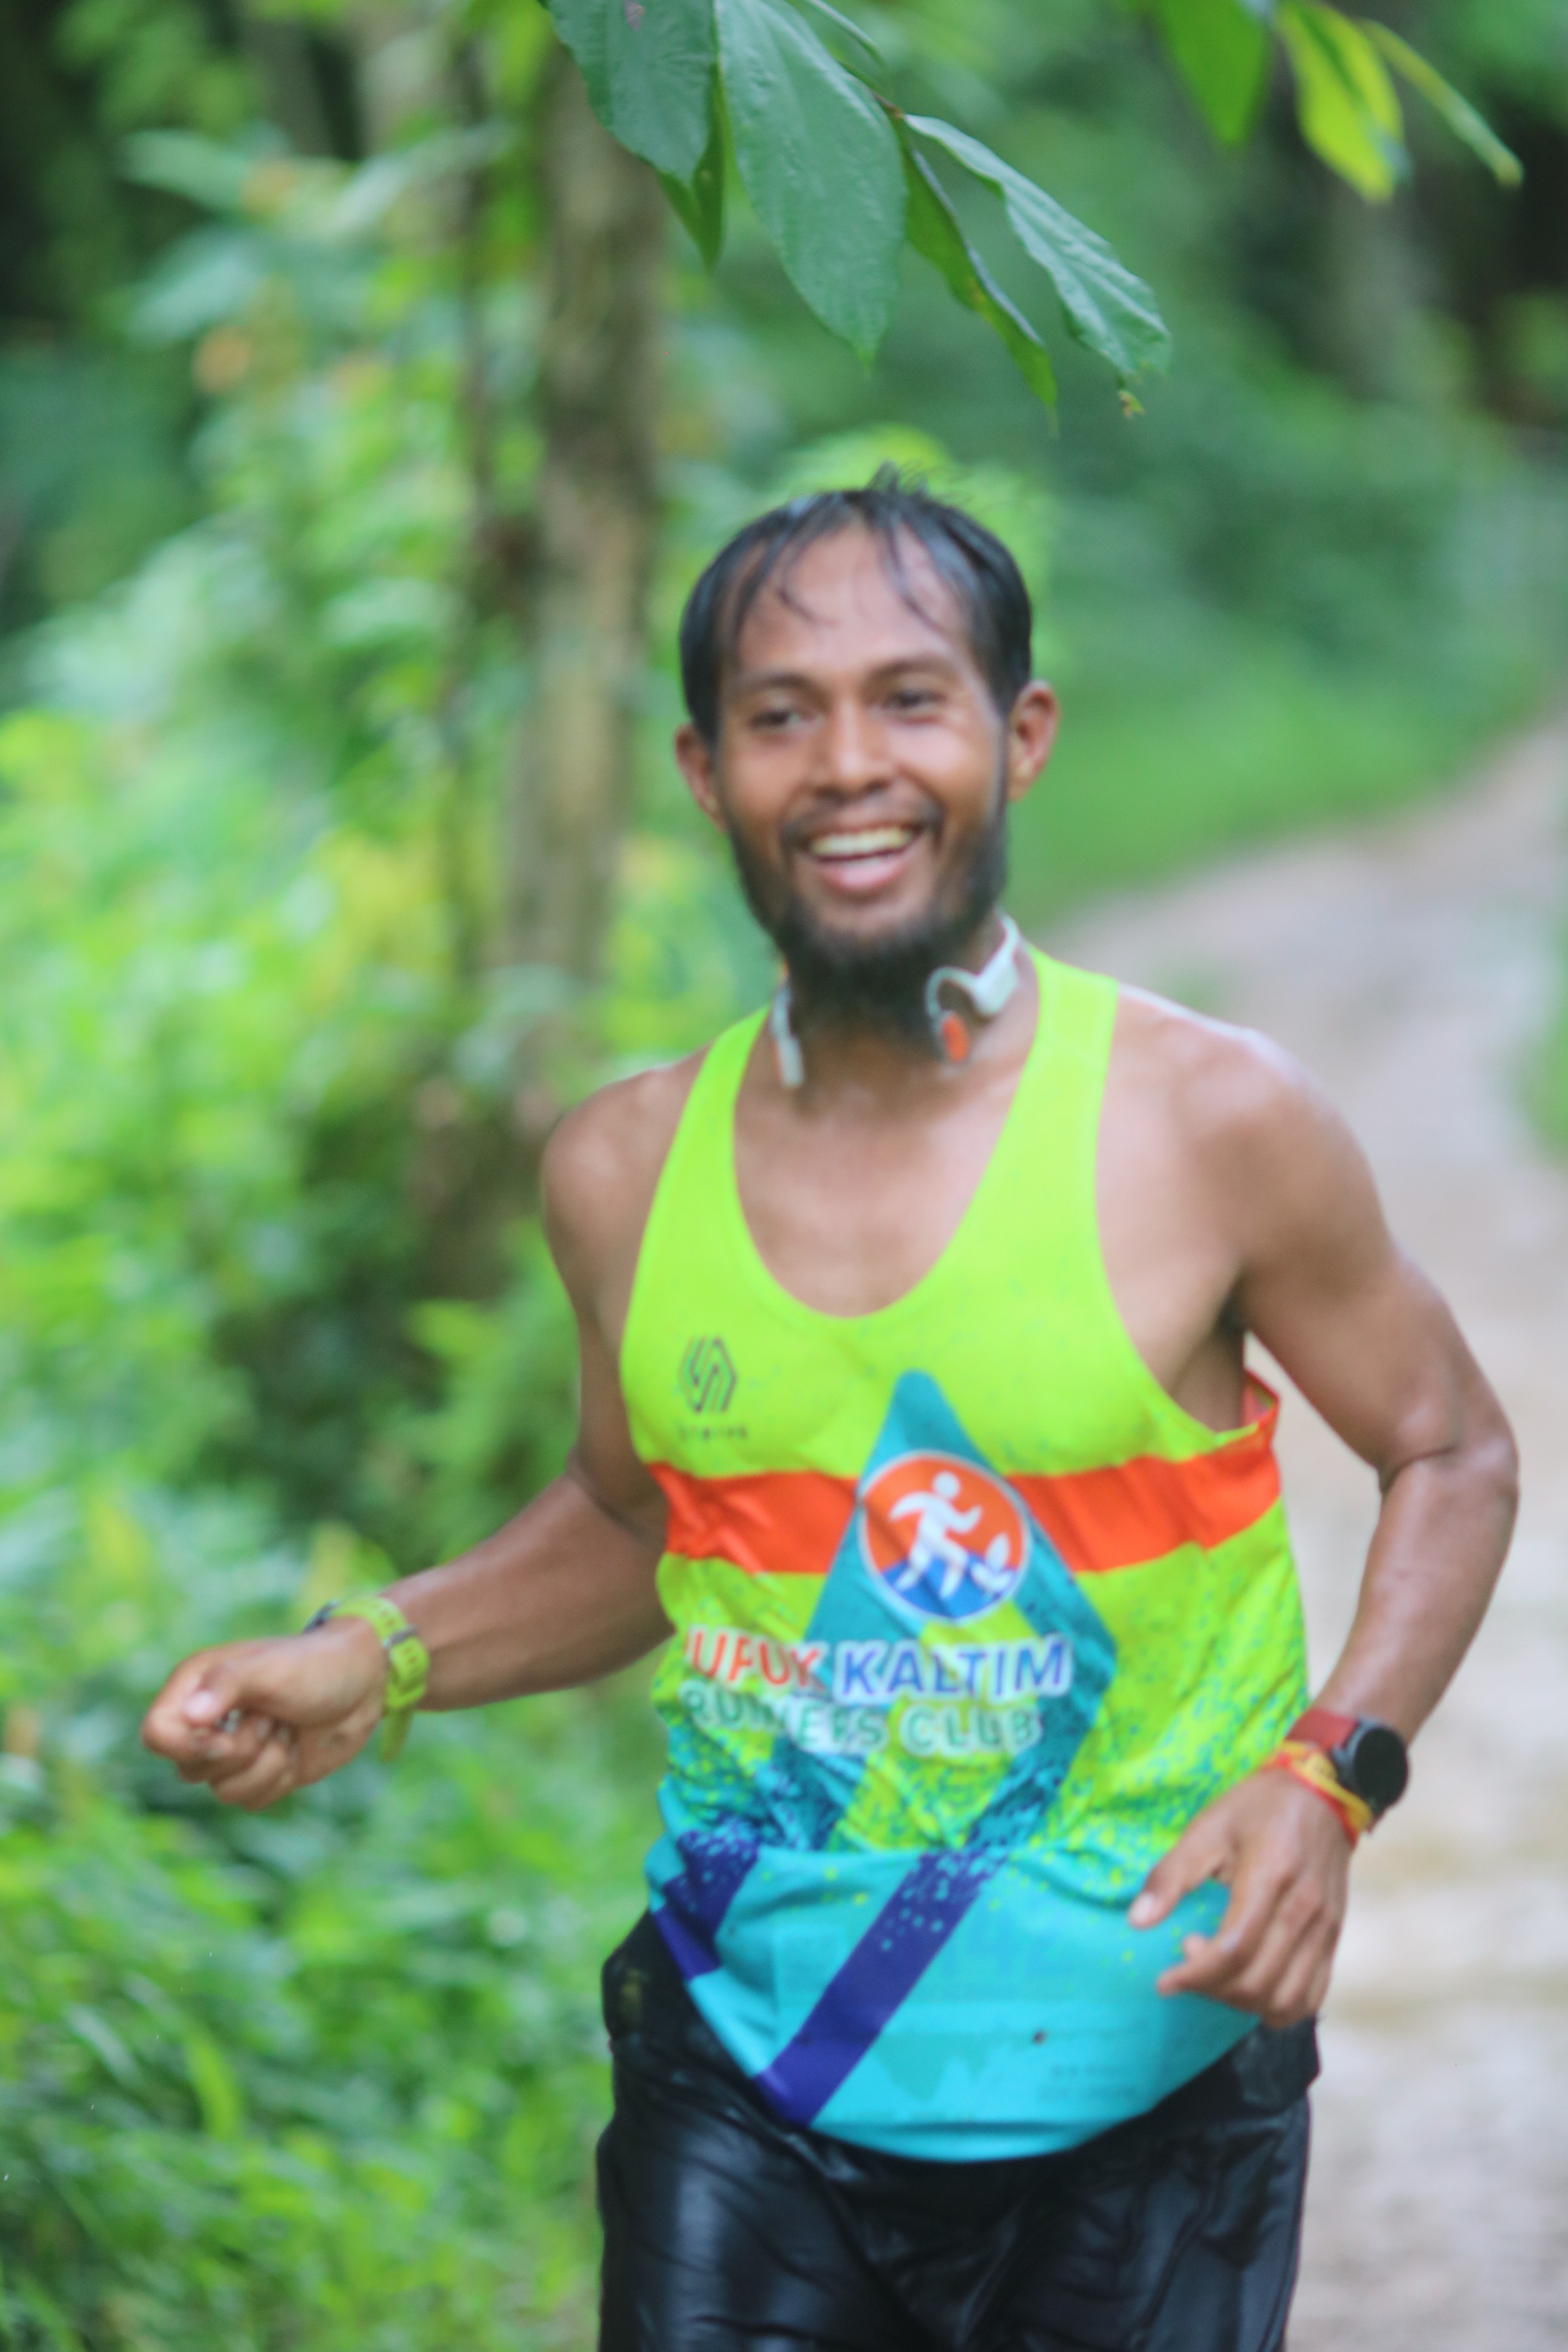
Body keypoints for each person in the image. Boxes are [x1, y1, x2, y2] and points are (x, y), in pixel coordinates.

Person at [142, 477, 1518, 2352]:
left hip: (1154, 2077)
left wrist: (1328, 1777)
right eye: (783, 714)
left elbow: (1450, 1447)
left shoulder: (1211, 1121)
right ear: (706, 774)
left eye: (909, 699)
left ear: (1020, 735)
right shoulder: (624, 1169)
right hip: (747, 2074)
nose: (850, 764)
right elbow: (644, 1522)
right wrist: (373, 1655)